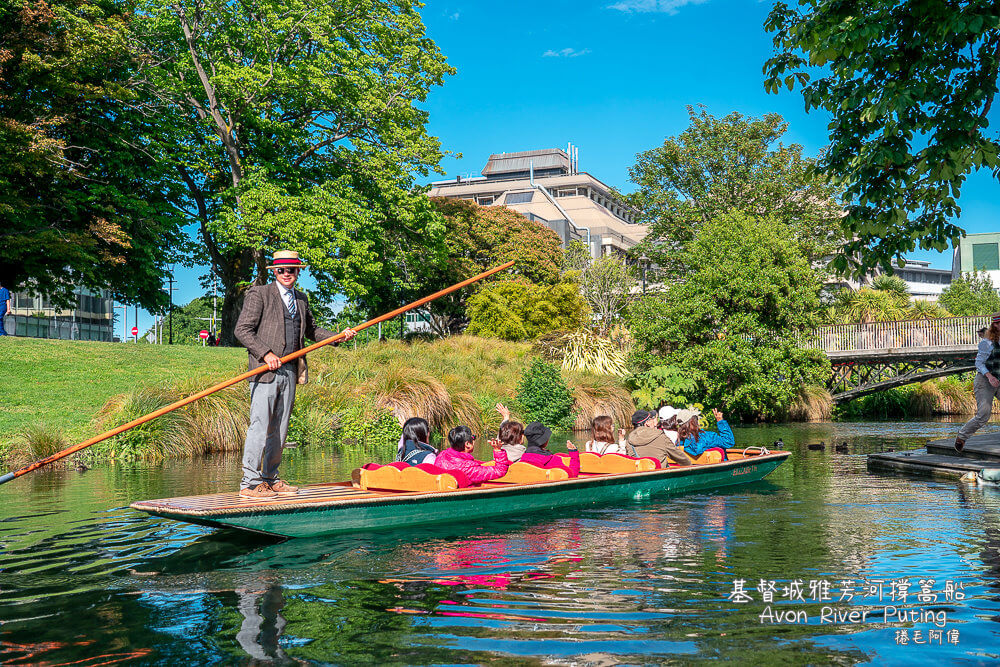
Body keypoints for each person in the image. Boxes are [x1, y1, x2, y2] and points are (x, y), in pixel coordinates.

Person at [234, 249, 357, 499]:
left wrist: (337, 336)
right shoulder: (259, 294)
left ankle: (270, 478)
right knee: (260, 426)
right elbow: (242, 330)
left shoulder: (300, 299)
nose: (286, 274)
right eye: (281, 270)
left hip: (291, 370)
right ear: (274, 272)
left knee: (279, 429)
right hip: (264, 371)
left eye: (291, 269)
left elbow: (311, 329)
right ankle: (249, 483)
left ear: (298, 272)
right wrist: (266, 354)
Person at [955, 313, 1000, 452]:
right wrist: (990, 377)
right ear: (995, 326)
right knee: (983, 415)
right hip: (985, 380)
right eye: (998, 324)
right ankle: (962, 436)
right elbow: (979, 363)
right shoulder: (987, 343)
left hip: (998, 379)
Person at [434, 425, 510, 484]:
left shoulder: (442, 455)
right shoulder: (468, 468)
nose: (474, 440)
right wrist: (498, 450)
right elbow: (500, 470)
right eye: (473, 437)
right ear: (467, 444)